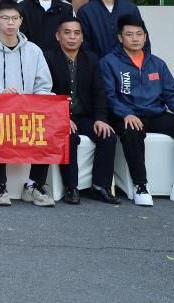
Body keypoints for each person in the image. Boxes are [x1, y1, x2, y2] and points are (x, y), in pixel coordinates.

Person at [101, 15, 174, 206]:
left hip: (155, 114)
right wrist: (126, 113)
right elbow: (109, 96)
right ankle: (140, 185)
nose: (135, 38)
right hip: (125, 116)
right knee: (132, 131)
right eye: (129, 34)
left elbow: (171, 93)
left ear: (145, 36)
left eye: (139, 34)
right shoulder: (109, 62)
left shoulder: (157, 63)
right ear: (120, 38)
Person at [0, 0, 56, 207]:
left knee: (48, 126)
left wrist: (31, 101)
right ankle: (0, 184)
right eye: (5, 18)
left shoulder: (33, 50)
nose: (10, 23)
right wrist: (2, 94)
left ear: (21, 21)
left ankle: (34, 185)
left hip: (29, 111)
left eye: (14, 18)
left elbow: (44, 85)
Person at [44, 15, 119, 205]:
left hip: (84, 116)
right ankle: (71, 187)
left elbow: (99, 92)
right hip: (58, 117)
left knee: (108, 136)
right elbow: (44, 92)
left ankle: (100, 187)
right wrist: (61, 117)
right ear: (58, 36)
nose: (72, 37)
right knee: (69, 137)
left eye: (77, 33)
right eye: (67, 33)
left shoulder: (91, 59)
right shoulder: (48, 58)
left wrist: (101, 118)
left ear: (82, 37)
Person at [77, 0, 143, 58]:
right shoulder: (86, 11)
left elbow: (142, 37)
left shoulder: (130, 9)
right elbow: (84, 45)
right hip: (98, 64)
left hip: (127, 63)